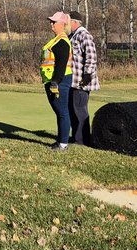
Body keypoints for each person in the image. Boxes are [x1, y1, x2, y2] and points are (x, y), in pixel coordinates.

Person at [41, 11, 73, 151]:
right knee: (60, 111)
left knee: (62, 112)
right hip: (54, 80)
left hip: (60, 80)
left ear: (62, 24)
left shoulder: (62, 41)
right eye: (51, 21)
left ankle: (63, 144)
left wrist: (55, 82)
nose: (51, 24)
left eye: (54, 22)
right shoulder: (56, 39)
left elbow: (61, 65)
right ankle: (61, 141)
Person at [68, 11, 99, 145]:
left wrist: (87, 75)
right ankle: (76, 137)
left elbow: (91, 57)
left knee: (80, 110)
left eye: (67, 21)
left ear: (74, 22)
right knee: (73, 110)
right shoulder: (72, 35)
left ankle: (83, 140)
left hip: (81, 82)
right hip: (73, 81)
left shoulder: (84, 35)